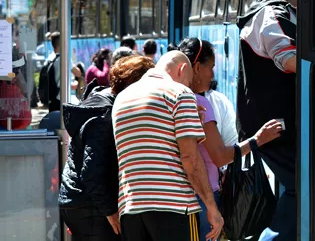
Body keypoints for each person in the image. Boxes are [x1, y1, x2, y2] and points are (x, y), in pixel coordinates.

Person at [175, 37, 282, 241]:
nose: (213, 74)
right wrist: (257, 140)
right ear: (196, 68)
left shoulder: (171, 99)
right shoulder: (199, 103)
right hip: (200, 198)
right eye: (211, 67)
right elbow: (220, 156)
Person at [112, 51, 223, 241]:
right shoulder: (180, 93)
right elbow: (190, 159)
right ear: (182, 69)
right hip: (175, 208)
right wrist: (211, 207)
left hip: (131, 209)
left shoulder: (122, 99)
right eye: (189, 82)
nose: (189, 87)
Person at [59, 56, 155, 241]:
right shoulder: (104, 114)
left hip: (81, 200)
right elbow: (91, 170)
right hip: (90, 205)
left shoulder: (103, 102)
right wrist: (110, 211)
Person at [237, 0, 297, 241]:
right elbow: (287, 60)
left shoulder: (260, 10)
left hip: (269, 121)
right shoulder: (273, 12)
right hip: (277, 124)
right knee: (301, 185)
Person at [39, 31, 62, 111]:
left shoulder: (50, 58)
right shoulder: (63, 59)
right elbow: (78, 73)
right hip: (60, 98)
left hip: (51, 98)